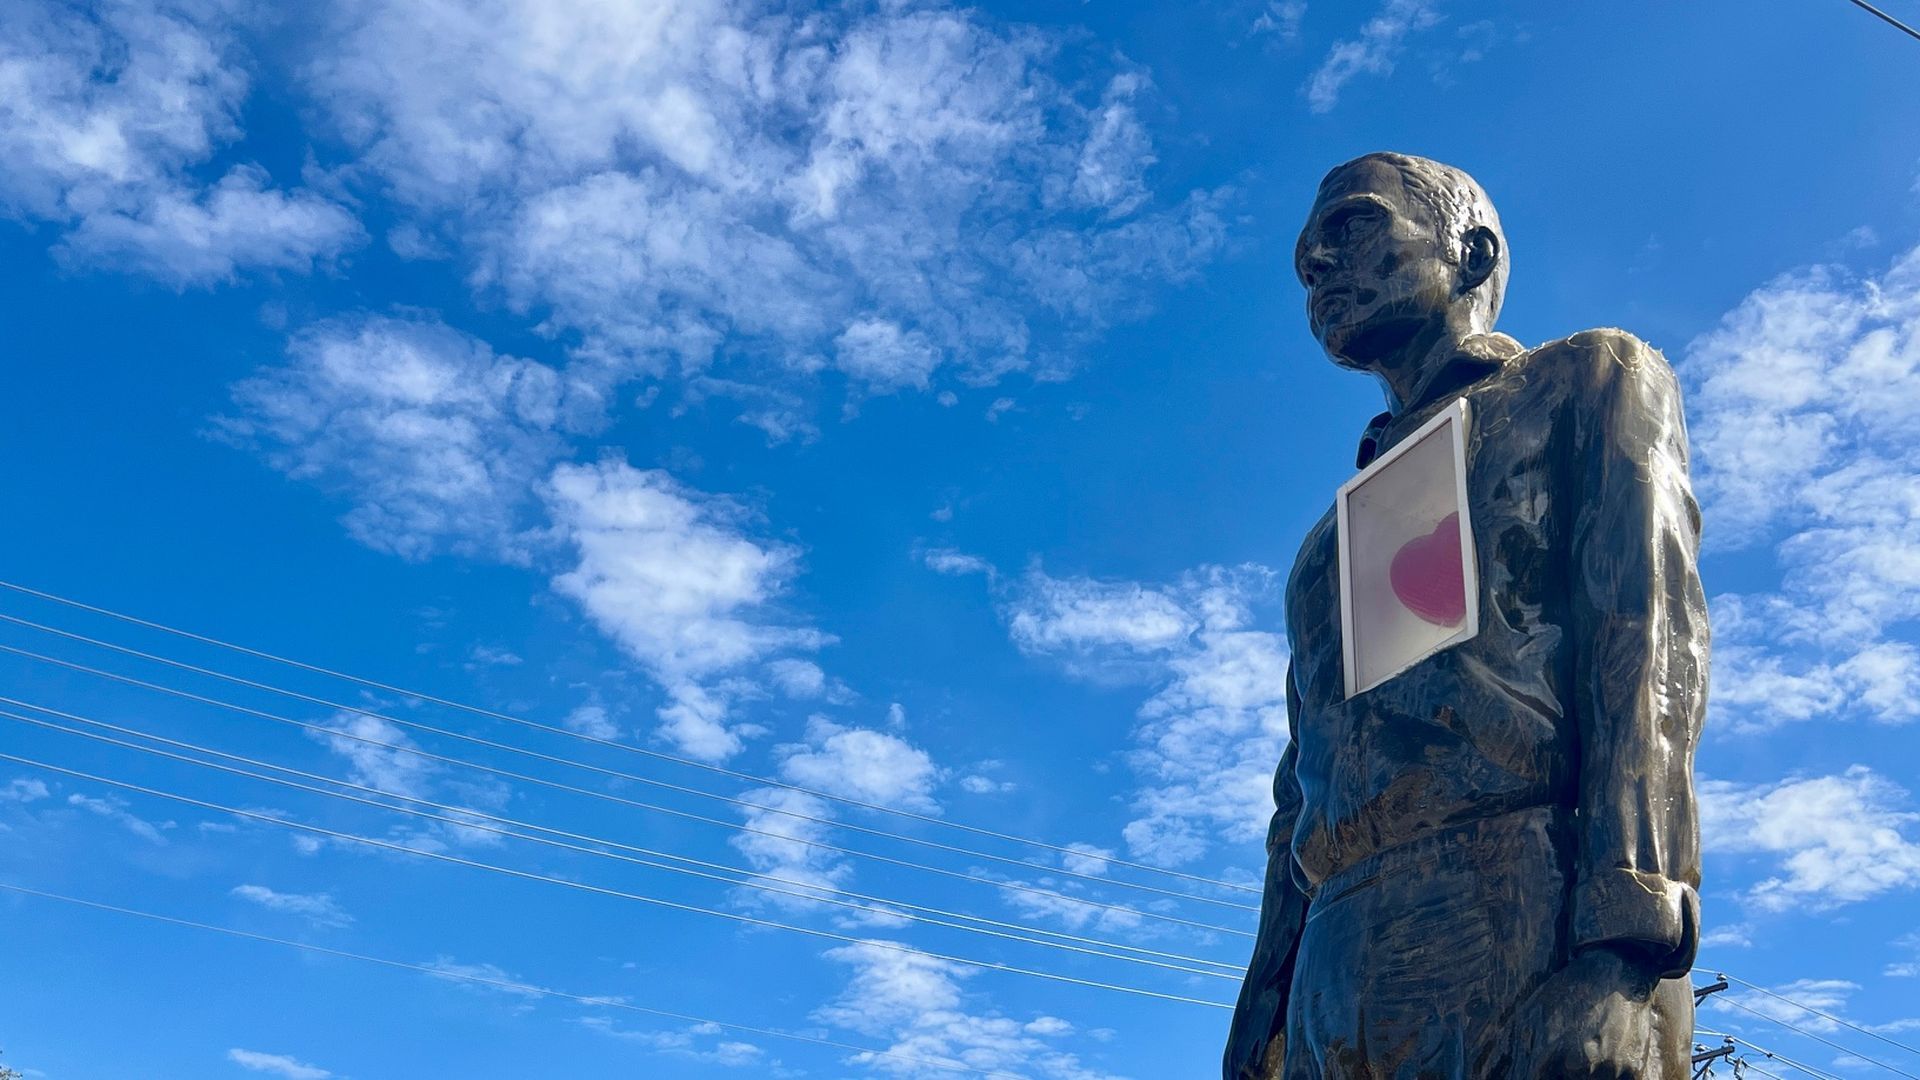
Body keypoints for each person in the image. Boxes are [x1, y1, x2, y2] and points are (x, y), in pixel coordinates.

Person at [1223, 152, 1709, 1079]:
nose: (1318, 265)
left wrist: (1630, 931)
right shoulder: (1328, 544)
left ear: (1473, 251)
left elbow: (1644, 642)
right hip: (1336, 954)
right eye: (1303, 260)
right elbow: (1300, 787)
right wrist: (1263, 1012)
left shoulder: (1584, 382)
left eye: (1350, 228)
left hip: (1517, 904)